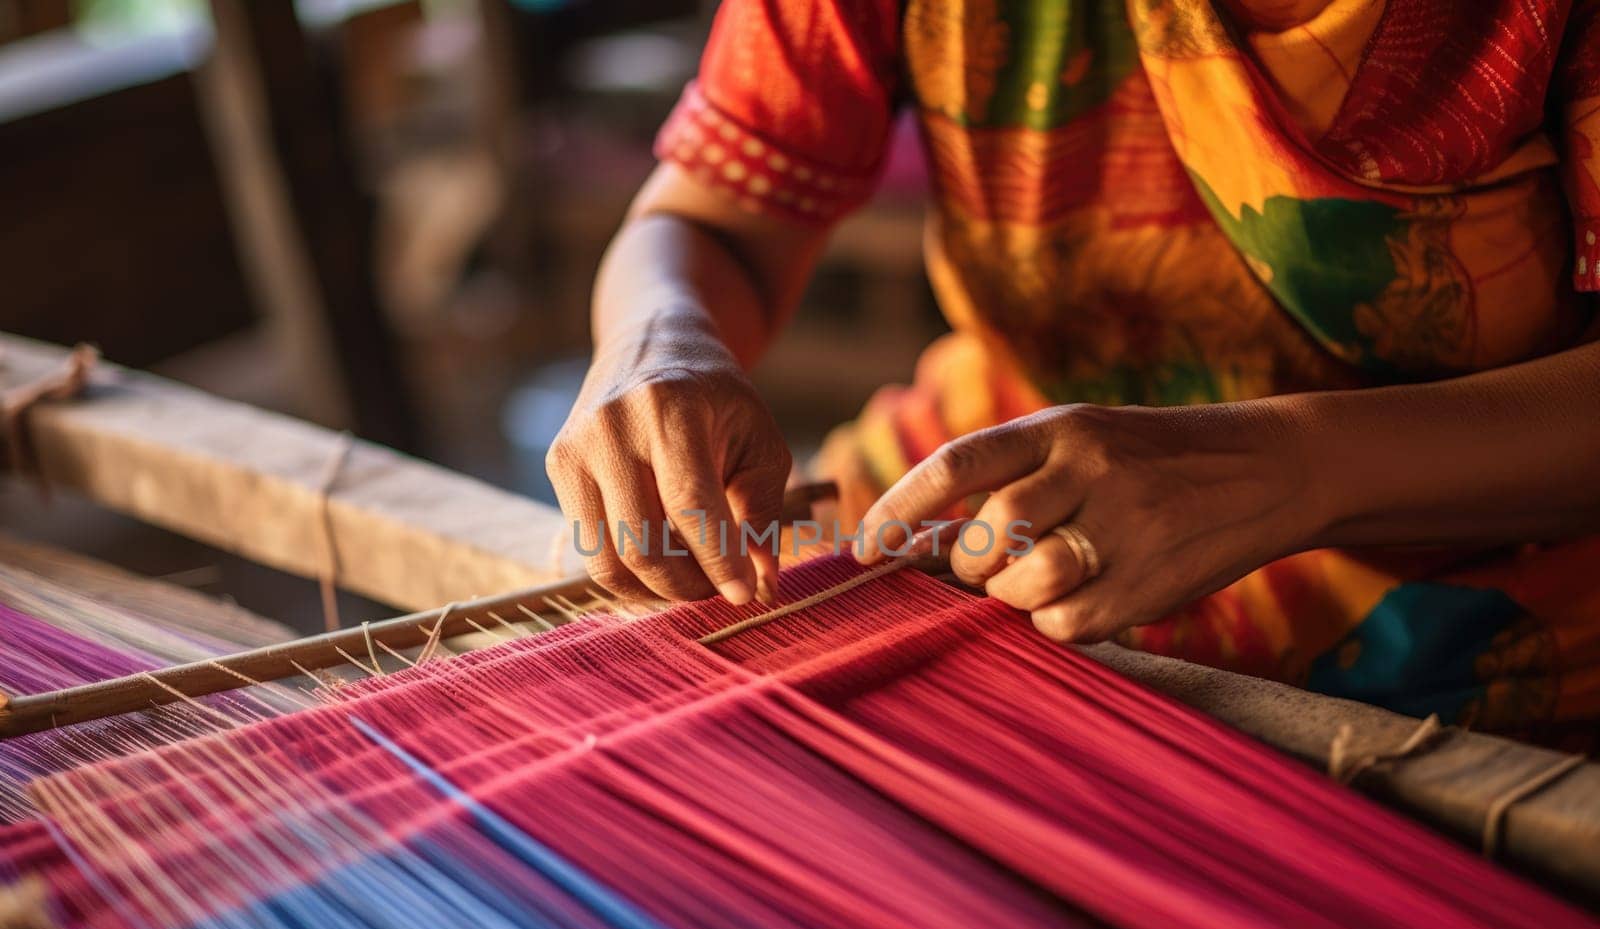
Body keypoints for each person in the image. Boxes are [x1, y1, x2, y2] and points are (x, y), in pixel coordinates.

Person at [547, 0, 1600, 746]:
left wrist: (1287, 466)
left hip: (1471, 648)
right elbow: (713, 222)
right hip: (955, 537)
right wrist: (657, 341)